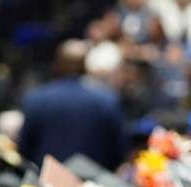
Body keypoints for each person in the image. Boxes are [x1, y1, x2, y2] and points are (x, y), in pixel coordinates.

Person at [18, 39, 127, 171]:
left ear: (57, 64)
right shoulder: (107, 100)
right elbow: (119, 152)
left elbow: (24, 151)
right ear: (86, 65)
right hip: (93, 186)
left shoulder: (35, 99)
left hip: (45, 184)